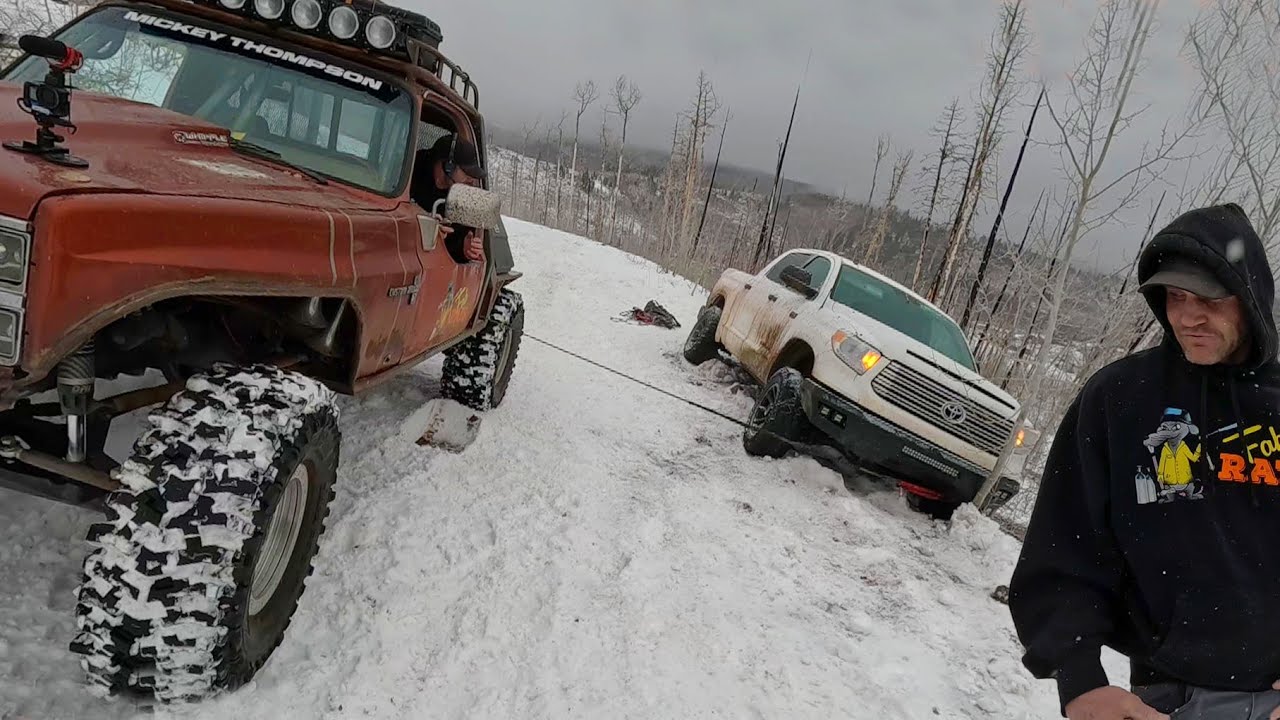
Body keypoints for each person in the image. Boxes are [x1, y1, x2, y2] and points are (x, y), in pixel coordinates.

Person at [1008, 203, 1280, 720]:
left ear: (1250, 298)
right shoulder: (1122, 399)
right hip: (1161, 701)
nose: (1187, 315)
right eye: (1175, 296)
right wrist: (1079, 679)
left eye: (1209, 298)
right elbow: (1064, 545)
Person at [410, 132, 487, 264]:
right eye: (466, 172)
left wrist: (464, 249)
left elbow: (455, 246)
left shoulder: (462, 199)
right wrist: (424, 223)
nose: (471, 180)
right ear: (448, 166)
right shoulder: (410, 170)